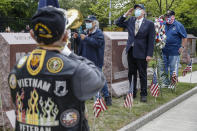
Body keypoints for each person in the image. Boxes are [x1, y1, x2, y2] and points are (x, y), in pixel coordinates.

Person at [8, 6, 105, 131]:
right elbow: (98, 79)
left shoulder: (17, 66)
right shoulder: (74, 68)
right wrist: (70, 54)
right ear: (65, 36)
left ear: (32, 35)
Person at [115, 4, 155, 102]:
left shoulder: (149, 24)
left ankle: (143, 94)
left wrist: (149, 54)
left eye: (139, 9)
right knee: (131, 73)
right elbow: (118, 23)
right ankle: (132, 92)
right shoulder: (131, 20)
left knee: (142, 74)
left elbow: (151, 40)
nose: (136, 11)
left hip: (142, 52)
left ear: (143, 12)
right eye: (136, 9)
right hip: (131, 51)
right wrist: (126, 14)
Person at [73, 15, 112, 106]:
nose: (87, 24)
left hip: (95, 60)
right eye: (86, 22)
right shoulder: (84, 32)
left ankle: (107, 97)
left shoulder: (99, 33)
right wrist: (77, 38)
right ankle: (89, 94)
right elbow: (81, 44)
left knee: (100, 79)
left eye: (89, 22)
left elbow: (97, 44)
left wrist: (85, 38)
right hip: (84, 59)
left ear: (95, 23)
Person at [162, 10, 187, 86]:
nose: (167, 18)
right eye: (166, 16)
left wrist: (182, 47)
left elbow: (184, 37)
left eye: (169, 16)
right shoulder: (163, 24)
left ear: (173, 17)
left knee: (173, 68)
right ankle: (165, 83)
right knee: (164, 68)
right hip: (164, 50)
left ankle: (173, 84)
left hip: (174, 51)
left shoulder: (179, 25)